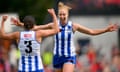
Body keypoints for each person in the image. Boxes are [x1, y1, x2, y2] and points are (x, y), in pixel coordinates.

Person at [11, 2, 118, 72]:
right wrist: (21, 24)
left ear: (67, 15)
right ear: (58, 15)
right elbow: (37, 27)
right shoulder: (54, 25)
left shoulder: (73, 26)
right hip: (57, 56)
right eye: (60, 14)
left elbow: (91, 31)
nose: (62, 16)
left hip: (69, 57)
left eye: (64, 14)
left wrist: (106, 30)